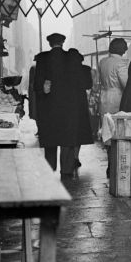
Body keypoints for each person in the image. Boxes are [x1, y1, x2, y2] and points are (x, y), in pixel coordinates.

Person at [33, 33, 93, 181]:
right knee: (67, 139)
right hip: (69, 107)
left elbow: (37, 86)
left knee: (50, 139)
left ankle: (49, 168)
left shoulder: (42, 59)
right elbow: (83, 84)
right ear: (63, 42)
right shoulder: (72, 58)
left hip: (49, 107)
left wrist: (44, 89)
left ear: (49, 43)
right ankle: (66, 170)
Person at [98, 38, 129, 177]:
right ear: (122, 49)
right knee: (118, 133)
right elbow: (125, 83)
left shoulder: (102, 61)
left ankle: (110, 164)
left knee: (107, 132)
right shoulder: (121, 63)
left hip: (104, 98)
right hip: (117, 98)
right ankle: (115, 166)